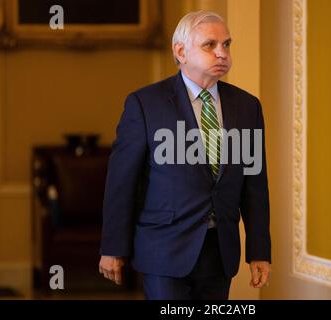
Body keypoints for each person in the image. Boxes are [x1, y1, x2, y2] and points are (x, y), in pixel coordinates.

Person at [99, 10, 271, 300]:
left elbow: (255, 185)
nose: (222, 53)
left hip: (220, 251)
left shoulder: (247, 106)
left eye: (227, 44)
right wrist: (113, 248)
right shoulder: (145, 103)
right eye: (210, 45)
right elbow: (121, 182)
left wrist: (259, 251)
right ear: (180, 51)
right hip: (163, 250)